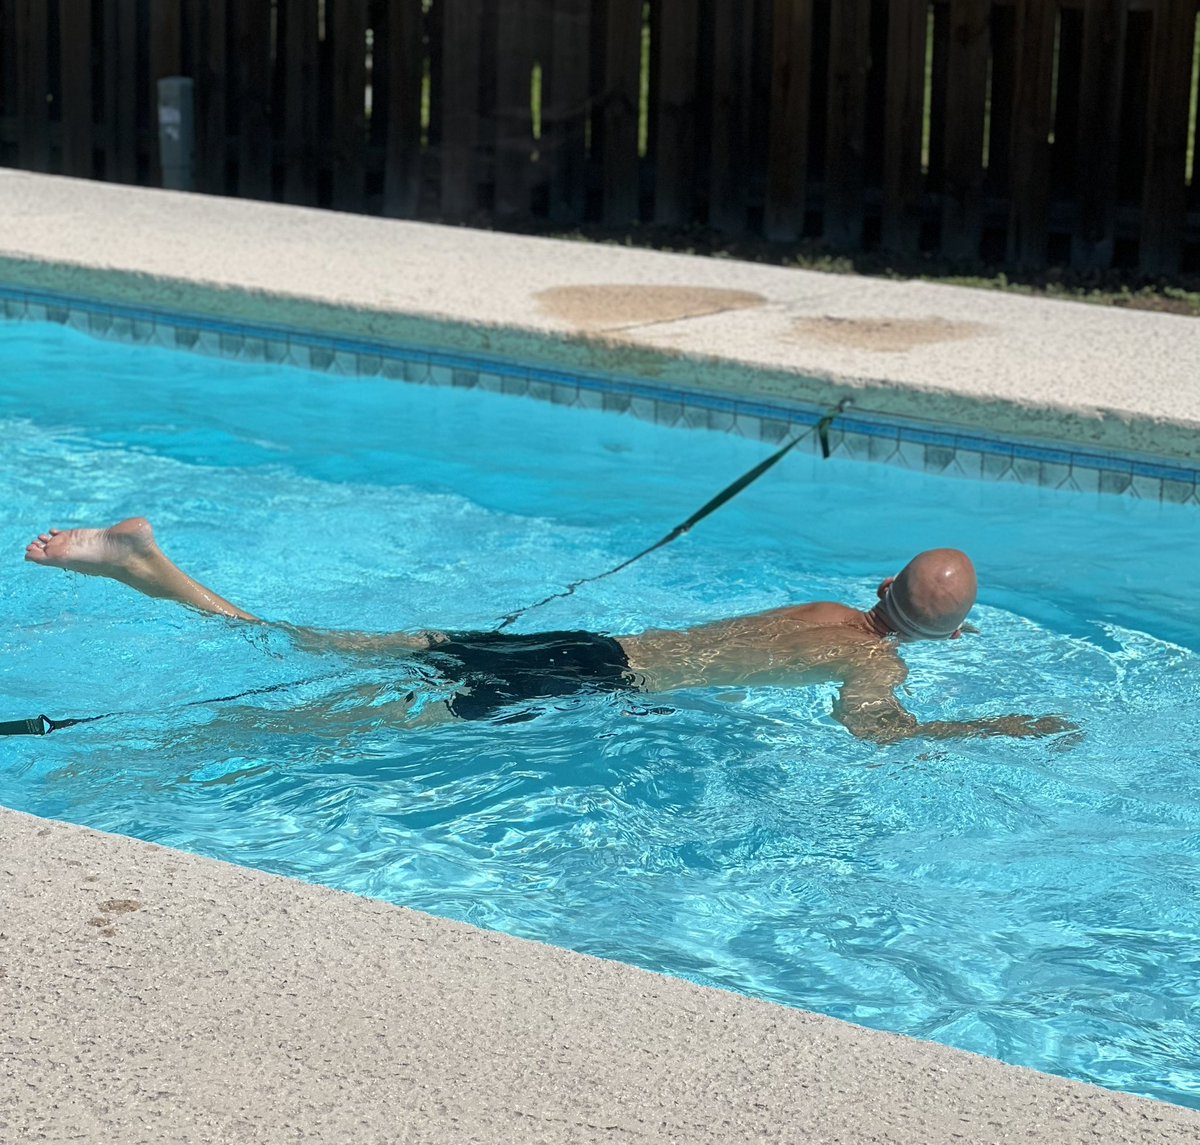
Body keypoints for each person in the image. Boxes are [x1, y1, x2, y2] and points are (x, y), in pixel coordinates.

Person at [24, 517, 1073, 743]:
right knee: (344, 726)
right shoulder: (874, 662)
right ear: (940, 631)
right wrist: (997, 727)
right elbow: (876, 731)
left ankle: (157, 571)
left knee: (327, 649)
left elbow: (851, 628)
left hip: (595, 647)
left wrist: (921, 628)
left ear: (880, 575)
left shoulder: (830, 611)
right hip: (593, 690)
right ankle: (167, 739)